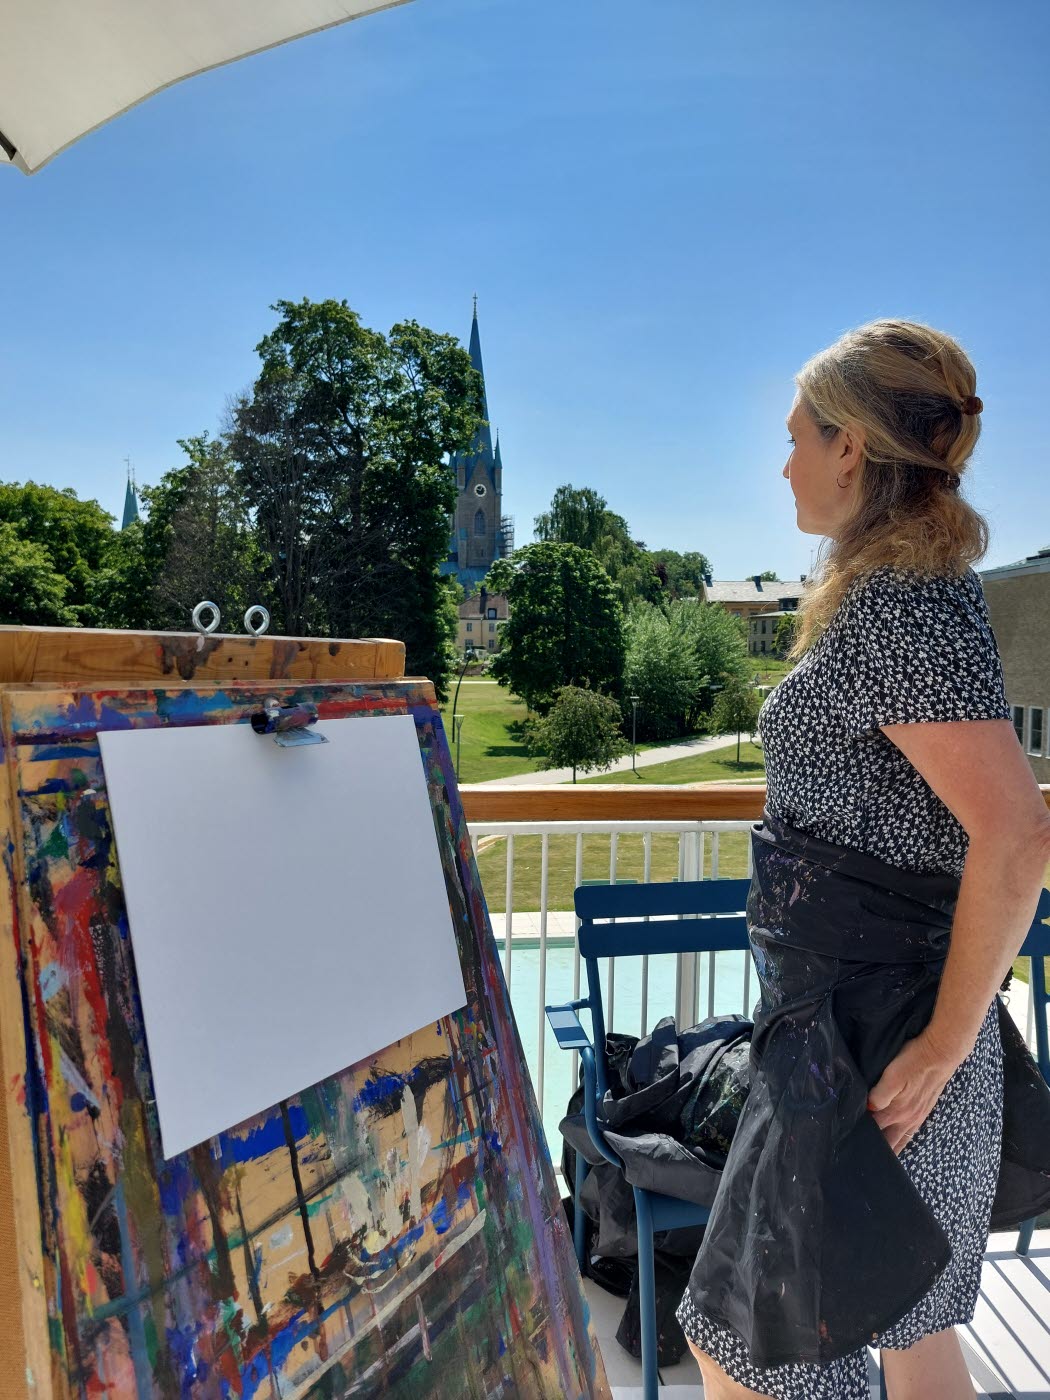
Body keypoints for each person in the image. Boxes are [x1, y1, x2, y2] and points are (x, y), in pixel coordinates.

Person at [675, 319, 1050, 1400]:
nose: (782, 461)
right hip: (865, 1036)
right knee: (909, 1340)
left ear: (851, 445)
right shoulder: (911, 587)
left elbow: (1019, 831)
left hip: (874, 1049)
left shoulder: (900, 603)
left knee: (758, 1350)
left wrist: (940, 1042)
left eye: (795, 435)